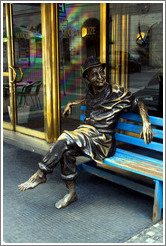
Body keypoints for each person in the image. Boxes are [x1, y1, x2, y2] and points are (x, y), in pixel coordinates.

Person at [18, 56, 153, 208]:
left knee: (65, 137)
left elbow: (138, 102)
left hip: (103, 141)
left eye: (101, 72)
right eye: (94, 74)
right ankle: (71, 193)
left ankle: (41, 174)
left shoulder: (116, 92)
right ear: (87, 78)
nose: (100, 77)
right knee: (66, 150)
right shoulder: (90, 91)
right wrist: (72, 102)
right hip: (88, 134)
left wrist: (146, 122)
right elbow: (89, 101)